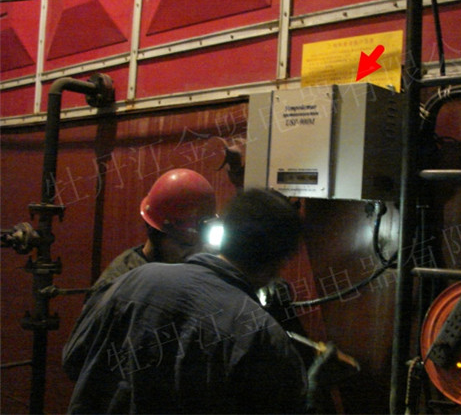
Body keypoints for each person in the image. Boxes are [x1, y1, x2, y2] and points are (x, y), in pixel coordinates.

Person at [62, 188, 336, 413]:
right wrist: (314, 384)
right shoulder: (263, 336)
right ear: (277, 263)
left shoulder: (135, 279)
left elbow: (74, 360)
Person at [88, 168, 217, 297]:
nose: (194, 253)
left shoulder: (205, 259)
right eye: (184, 245)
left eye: (200, 242)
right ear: (154, 233)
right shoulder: (118, 286)